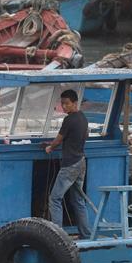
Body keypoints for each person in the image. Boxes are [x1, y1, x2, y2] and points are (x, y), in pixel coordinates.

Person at [44, 89, 91, 239]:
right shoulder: (83, 118)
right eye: (62, 104)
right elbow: (86, 135)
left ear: (75, 103)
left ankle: (58, 236)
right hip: (81, 161)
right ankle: (86, 234)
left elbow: (58, 139)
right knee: (78, 200)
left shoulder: (69, 120)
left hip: (70, 164)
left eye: (67, 104)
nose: (64, 107)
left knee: (55, 198)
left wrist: (50, 147)